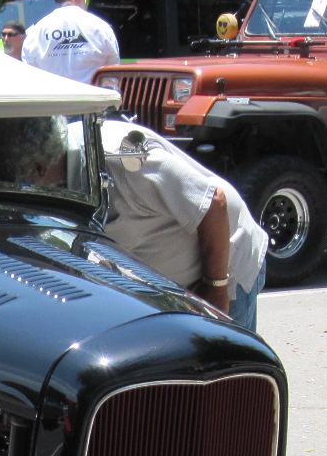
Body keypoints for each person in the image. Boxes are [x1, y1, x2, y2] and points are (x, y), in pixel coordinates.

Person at [99, 120, 268, 331]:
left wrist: (216, 289)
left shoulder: (123, 161)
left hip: (227, 261)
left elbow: (214, 202)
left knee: (223, 350)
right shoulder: (67, 165)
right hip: (167, 289)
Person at [22, 0, 119, 84]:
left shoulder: (36, 33)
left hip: (52, 95)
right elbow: (113, 73)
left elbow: (30, 75)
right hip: (92, 95)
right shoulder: (100, 27)